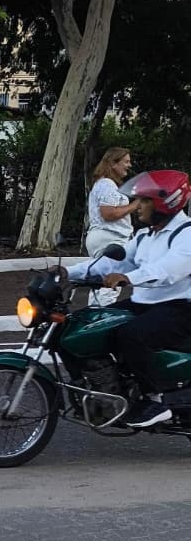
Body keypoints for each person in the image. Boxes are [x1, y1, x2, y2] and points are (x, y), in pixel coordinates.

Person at [68, 169, 191, 428]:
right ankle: (103, 390)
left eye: (144, 201)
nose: (137, 207)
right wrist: (64, 273)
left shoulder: (186, 234)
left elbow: (169, 270)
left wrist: (129, 278)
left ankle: (154, 400)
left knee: (131, 334)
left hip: (179, 308)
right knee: (85, 323)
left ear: (165, 202)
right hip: (144, 304)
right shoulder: (145, 235)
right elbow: (113, 262)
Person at [85, 147, 140, 306]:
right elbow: (108, 213)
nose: (129, 165)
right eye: (126, 161)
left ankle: (94, 316)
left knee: (103, 283)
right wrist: (134, 205)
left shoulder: (104, 184)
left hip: (104, 237)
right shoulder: (107, 184)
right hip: (110, 239)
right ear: (113, 163)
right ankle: (98, 321)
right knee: (109, 285)